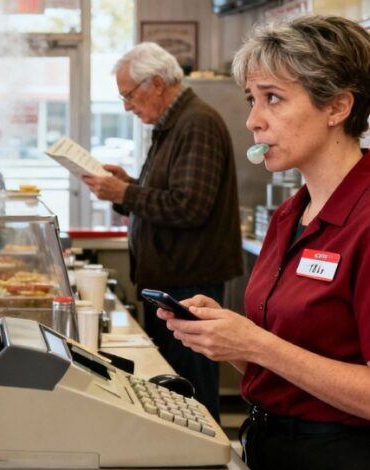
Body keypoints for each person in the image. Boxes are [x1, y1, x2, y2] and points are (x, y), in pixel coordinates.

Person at [159, 16, 370, 469]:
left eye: (273, 98)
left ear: (337, 107)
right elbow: (288, 366)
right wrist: (228, 339)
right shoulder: (290, 214)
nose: (253, 121)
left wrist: (256, 344)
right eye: (252, 100)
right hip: (269, 443)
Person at [83, 41, 243, 420]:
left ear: (155, 83)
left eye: (128, 95)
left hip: (189, 284)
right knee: (177, 390)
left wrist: (127, 192)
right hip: (173, 279)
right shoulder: (172, 124)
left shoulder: (196, 123)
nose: (126, 106)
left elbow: (190, 206)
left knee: (192, 394)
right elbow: (163, 197)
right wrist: (127, 187)